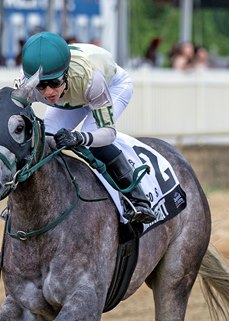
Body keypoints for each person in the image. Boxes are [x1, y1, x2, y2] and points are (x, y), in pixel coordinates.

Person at [16, 32, 156, 224]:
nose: (48, 92)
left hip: (109, 86)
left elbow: (108, 133)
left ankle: (137, 200)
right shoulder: (25, 85)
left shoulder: (91, 80)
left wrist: (80, 138)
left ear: (65, 73)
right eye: (40, 85)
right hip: (71, 96)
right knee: (45, 141)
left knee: (95, 145)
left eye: (54, 83)